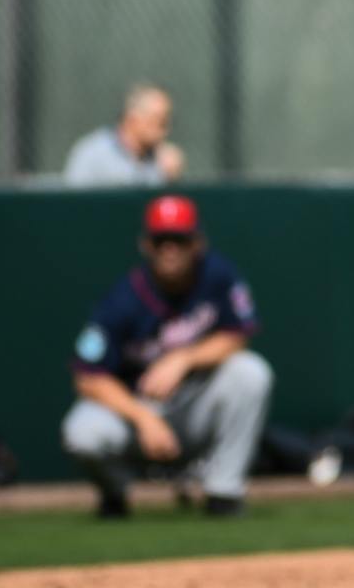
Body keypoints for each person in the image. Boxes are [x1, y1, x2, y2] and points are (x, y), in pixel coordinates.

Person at [63, 195, 271, 518]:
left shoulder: (217, 275)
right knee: (82, 431)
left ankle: (223, 493)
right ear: (146, 244)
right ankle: (116, 493)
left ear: (197, 243)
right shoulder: (122, 299)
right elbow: (87, 377)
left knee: (251, 373)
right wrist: (143, 419)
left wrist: (184, 358)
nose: (170, 249)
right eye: (161, 240)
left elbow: (238, 335)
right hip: (135, 412)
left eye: (180, 239)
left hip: (193, 408)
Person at [63, 84, 186, 187]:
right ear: (132, 118)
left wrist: (171, 180)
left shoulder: (162, 161)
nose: (165, 130)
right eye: (159, 122)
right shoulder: (92, 153)